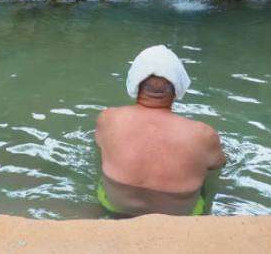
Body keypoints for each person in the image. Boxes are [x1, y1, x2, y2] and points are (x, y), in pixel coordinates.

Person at [95, 45, 226, 217]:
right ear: (178, 87)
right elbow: (218, 164)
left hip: (114, 208)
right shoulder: (203, 135)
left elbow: (100, 145)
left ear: (135, 83)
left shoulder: (109, 119)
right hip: (180, 217)